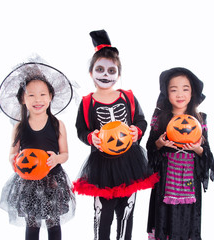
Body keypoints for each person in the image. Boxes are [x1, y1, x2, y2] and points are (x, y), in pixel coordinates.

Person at [73, 30, 159, 240]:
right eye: (100, 69)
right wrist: (90, 137)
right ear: (91, 73)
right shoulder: (87, 102)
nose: (105, 74)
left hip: (129, 162)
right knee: (103, 213)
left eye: (111, 70)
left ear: (118, 74)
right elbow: (81, 130)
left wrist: (136, 131)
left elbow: (141, 120)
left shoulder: (127, 97)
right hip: (101, 165)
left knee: (126, 212)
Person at [0, 59, 76, 240]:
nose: (37, 99)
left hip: (52, 182)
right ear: (22, 100)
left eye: (42, 94)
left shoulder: (58, 124)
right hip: (28, 183)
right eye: (31, 95)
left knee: (53, 223)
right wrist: (12, 159)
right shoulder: (19, 126)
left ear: (50, 97)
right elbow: (12, 152)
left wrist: (57, 159)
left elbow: (65, 154)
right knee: (32, 224)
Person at [146, 67, 214, 240]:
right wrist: (160, 143)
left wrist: (196, 148)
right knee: (164, 219)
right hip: (165, 180)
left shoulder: (200, 119)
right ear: (166, 93)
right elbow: (150, 147)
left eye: (185, 89)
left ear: (192, 93)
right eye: (174, 89)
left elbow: (207, 155)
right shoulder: (160, 117)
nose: (180, 94)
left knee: (187, 222)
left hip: (189, 182)